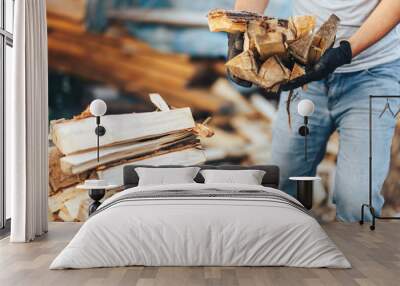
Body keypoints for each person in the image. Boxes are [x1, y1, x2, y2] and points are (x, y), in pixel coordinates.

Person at [229, 0, 400, 221]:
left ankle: (354, 254)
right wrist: (240, 31)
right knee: (284, 184)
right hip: (304, 69)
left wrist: (345, 51)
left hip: (373, 73)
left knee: (357, 201)